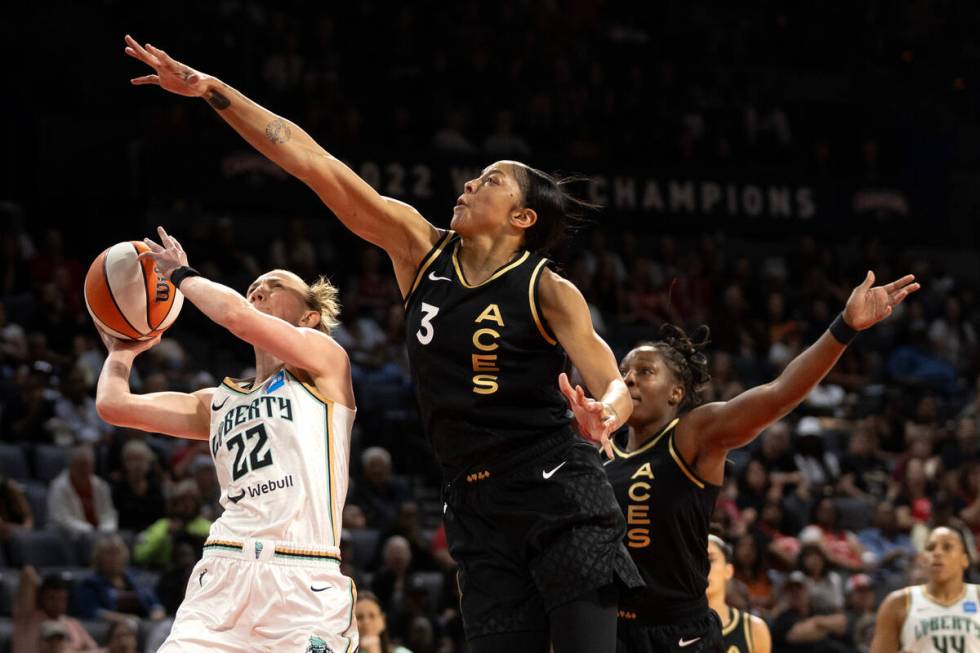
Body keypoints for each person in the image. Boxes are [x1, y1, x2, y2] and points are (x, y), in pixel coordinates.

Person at [123, 36, 641, 653]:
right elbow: (315, 164)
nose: (472, 183)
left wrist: (608, 411)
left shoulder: (547, 289)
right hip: (474, 502)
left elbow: (610, 376)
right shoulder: (418, 248)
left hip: (557, 486)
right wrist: (213, 90)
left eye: (492, 180)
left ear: (522, 218)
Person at [604, 270, 918, 652]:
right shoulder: (602, 451)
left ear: (676, 392)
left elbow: (779, 393)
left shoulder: (694, 434)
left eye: (644, 372)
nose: (629, 380)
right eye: (624, 373)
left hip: (677, 634)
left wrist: (845, 327)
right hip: (612, 631)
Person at [95, 228, 358, 651]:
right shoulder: (216, 402)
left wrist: (181, 274)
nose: (259, 287)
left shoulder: (326, 366)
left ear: (310, 317)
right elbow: (114, 406)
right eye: (255, 284)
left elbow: (236, 317)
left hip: (302, 577)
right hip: (222, 571)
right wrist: (122, 351)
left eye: (276, 286)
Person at [870, 526, 980, 652]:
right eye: (930, 548)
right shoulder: (897, 603)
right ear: (923, 559)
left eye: (947, 547)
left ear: (964, 560)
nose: (937, 553)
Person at [705, 535, 771, 653]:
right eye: (695, 561)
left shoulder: (754, 629)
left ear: (728, 571)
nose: (703, 567)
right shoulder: (670, 626)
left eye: (710, 560)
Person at [12, 567, 99, 653]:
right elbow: (28, 572)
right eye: (51, 598)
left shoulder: (72, 623)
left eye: (61, 599)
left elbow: (96, 650)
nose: (57, 603)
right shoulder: (27, 618)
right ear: (41, 597)